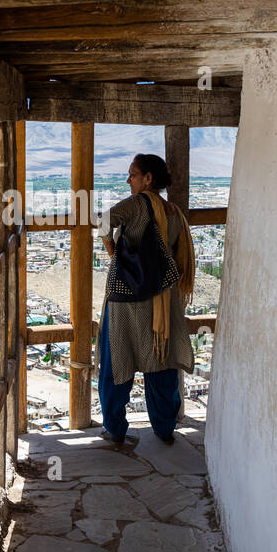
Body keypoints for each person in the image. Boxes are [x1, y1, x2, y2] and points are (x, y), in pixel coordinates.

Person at [95, 153, 196, 447]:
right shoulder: (174, 212)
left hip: (126, 300)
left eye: (133, 175)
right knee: (161, 363)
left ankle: (115, 429)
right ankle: (164, 428)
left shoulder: (137, 204)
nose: (129, 180)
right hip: (162, 301)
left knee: (117, 363)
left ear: (148, 179)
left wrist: (113, 251)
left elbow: (102, 222)